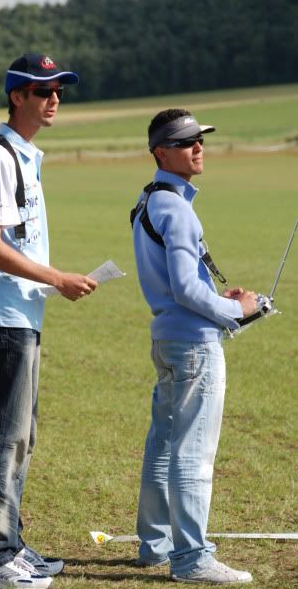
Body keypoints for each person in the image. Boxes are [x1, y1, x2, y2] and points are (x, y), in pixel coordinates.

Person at [0, 53, 97, 588]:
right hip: (4, 313)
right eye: (43, 90)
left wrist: (52, 282)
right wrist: (56, 277)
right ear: (17, 96)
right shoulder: (0, 158)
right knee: (5, 435)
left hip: (21, 311)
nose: (54, 98)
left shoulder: (25, 155)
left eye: (59, 89)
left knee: (21, 435)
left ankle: (10, 544)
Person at [131, 108, 257, 584]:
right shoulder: (176, 208)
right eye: (186, 142)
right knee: (192, 454)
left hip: (167, 339)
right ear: (161, 152)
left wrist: (217, 298)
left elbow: (181, 284)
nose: (198, 147)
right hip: (194, 346)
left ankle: (156, 545)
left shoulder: (149, 200)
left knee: (163, 445)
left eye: (199, 139)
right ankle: (191, 559)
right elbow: (186, 289)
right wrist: (239, 311)